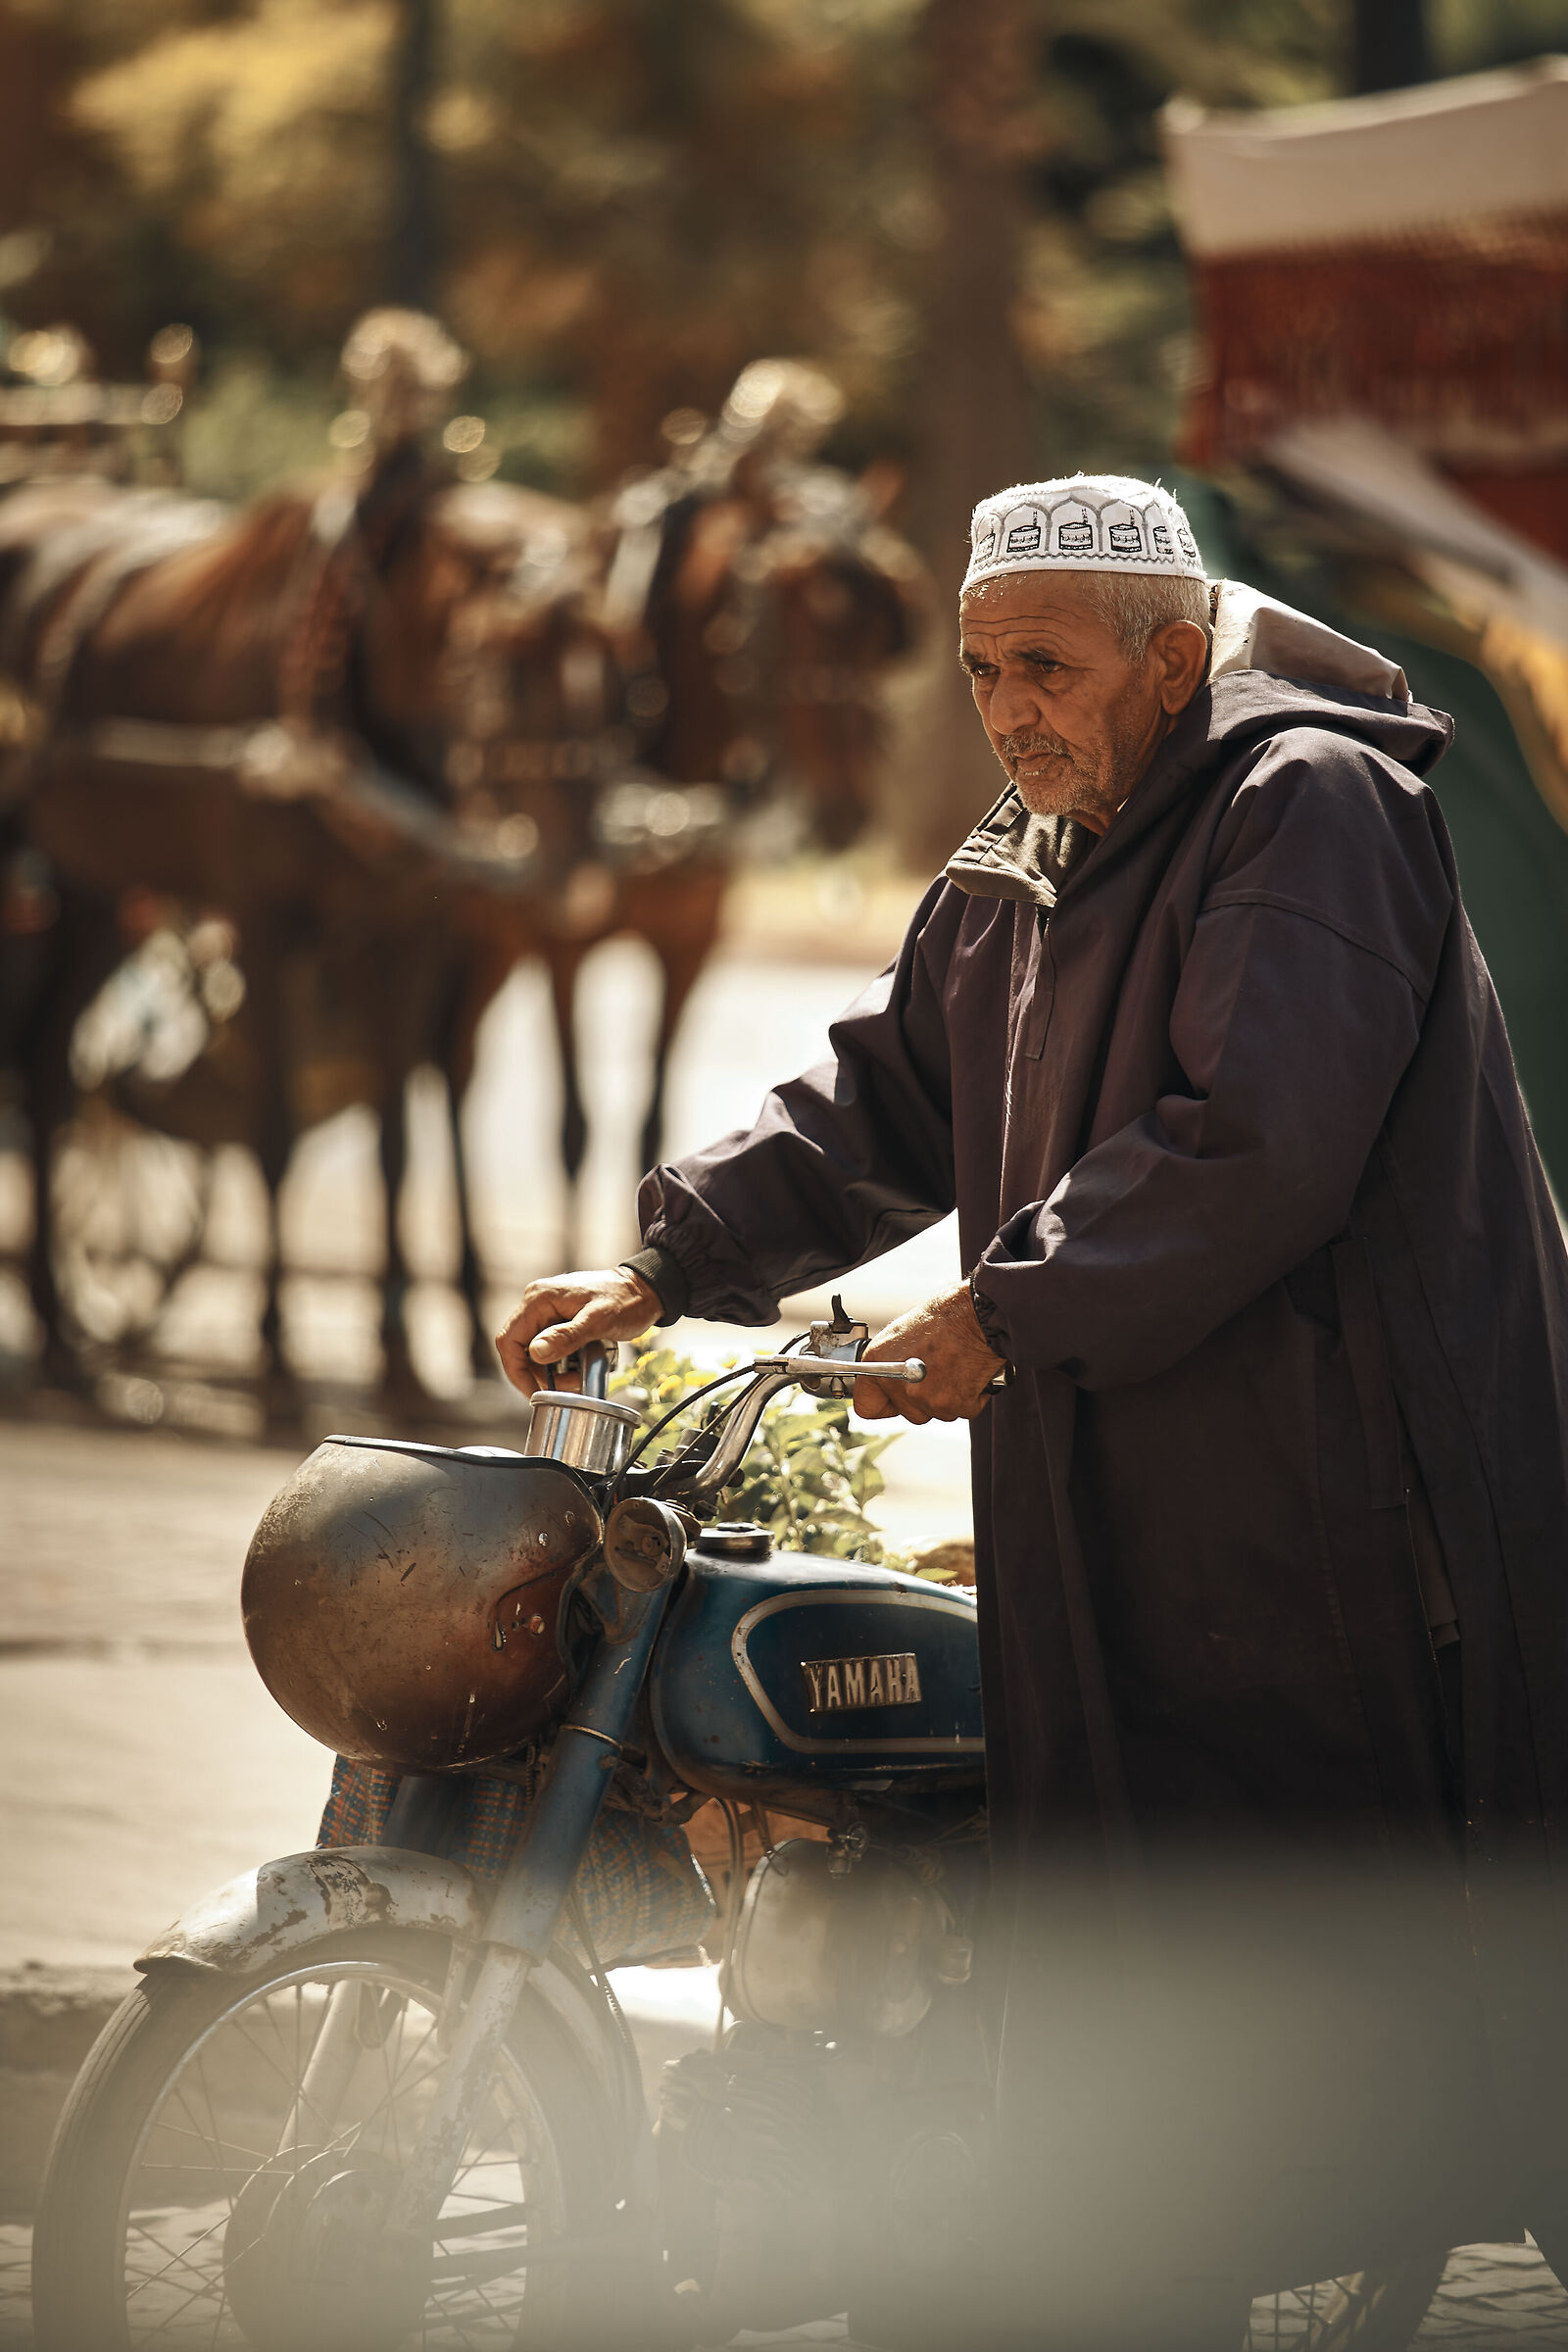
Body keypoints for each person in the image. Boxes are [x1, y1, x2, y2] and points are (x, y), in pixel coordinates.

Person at [497, 474, 1568, 2346]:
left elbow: (1260, 1143)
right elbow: (887, 1099)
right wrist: (668, 1263)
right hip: (1123, 1501)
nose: (1011, 708)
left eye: (1049, 667)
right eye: (986, 671)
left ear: (1172, 658)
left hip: (1349, 1513)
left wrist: (1009, 1307)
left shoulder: (1307, 803)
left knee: (1397, 1969)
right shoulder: (1037, 839)